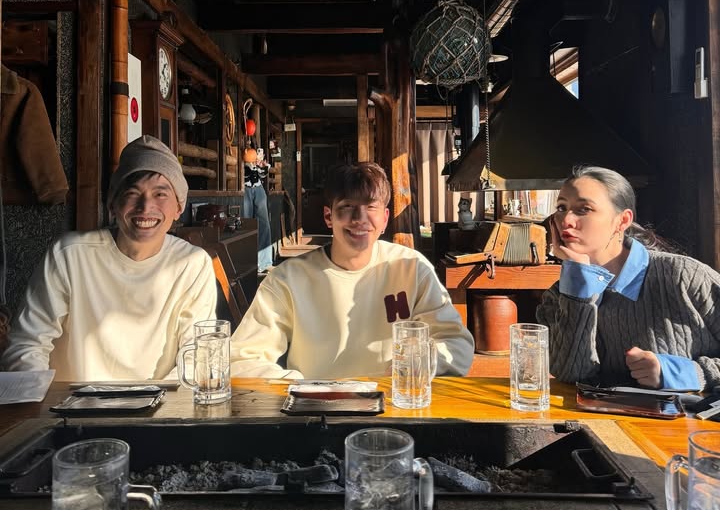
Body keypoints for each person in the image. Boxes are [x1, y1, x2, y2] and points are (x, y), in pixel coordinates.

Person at [1, 135, 217, 381]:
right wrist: (38, 400)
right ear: (113, 204)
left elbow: (197, 353)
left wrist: (165, 401)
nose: (145, 207)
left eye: (160, 194)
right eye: (133, 193)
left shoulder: (191, 264)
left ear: (179, 207)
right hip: (73, 403)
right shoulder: (70, 256)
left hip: (158, 401)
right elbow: (28, 344)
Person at [230, 161, 474, 379]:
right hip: (315, 409)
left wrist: (417, 362)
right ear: (328, 216)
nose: (360, 218)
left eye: (371, 207)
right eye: (347, 206)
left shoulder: (411, 268)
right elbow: (241, 359)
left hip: (394, 405)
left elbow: (456, 345)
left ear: (385, 218)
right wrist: (298, 386)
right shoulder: (288, 279)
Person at [537, 164, 720, 390]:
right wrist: (578, 291)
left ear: (622, 221)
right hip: (603, 415)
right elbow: (569, 375)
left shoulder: (683, 277)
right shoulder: (560, 296)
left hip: (696, 414)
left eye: (584, 209)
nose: (566, 220)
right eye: (561, 207)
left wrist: (682, 373)